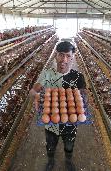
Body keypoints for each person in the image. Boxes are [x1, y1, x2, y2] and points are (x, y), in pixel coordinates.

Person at [30, 41, 86, 171]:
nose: (64, 59)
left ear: (72, 58)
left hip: (70, 123)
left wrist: (81, 103)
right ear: (56, 55)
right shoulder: (47, 74)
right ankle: (50, 161)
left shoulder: (78, 77)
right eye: (61, 55)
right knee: (50, 144)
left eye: (68, 56)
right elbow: (33, 91)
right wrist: (36, 96)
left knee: (69, 144)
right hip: (51, 120)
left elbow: (82, 97)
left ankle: (68, 161)